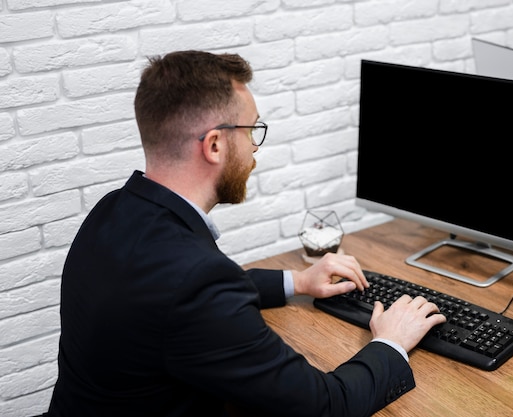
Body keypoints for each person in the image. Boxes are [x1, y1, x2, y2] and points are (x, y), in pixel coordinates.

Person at [45, 50, 446, 417]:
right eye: (251, 131)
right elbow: (326, 406)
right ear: (216, 144)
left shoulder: (115, 210)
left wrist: (298, 281)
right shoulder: (194, 283)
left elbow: (180, 296)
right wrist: (390, 342)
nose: (255, 147)